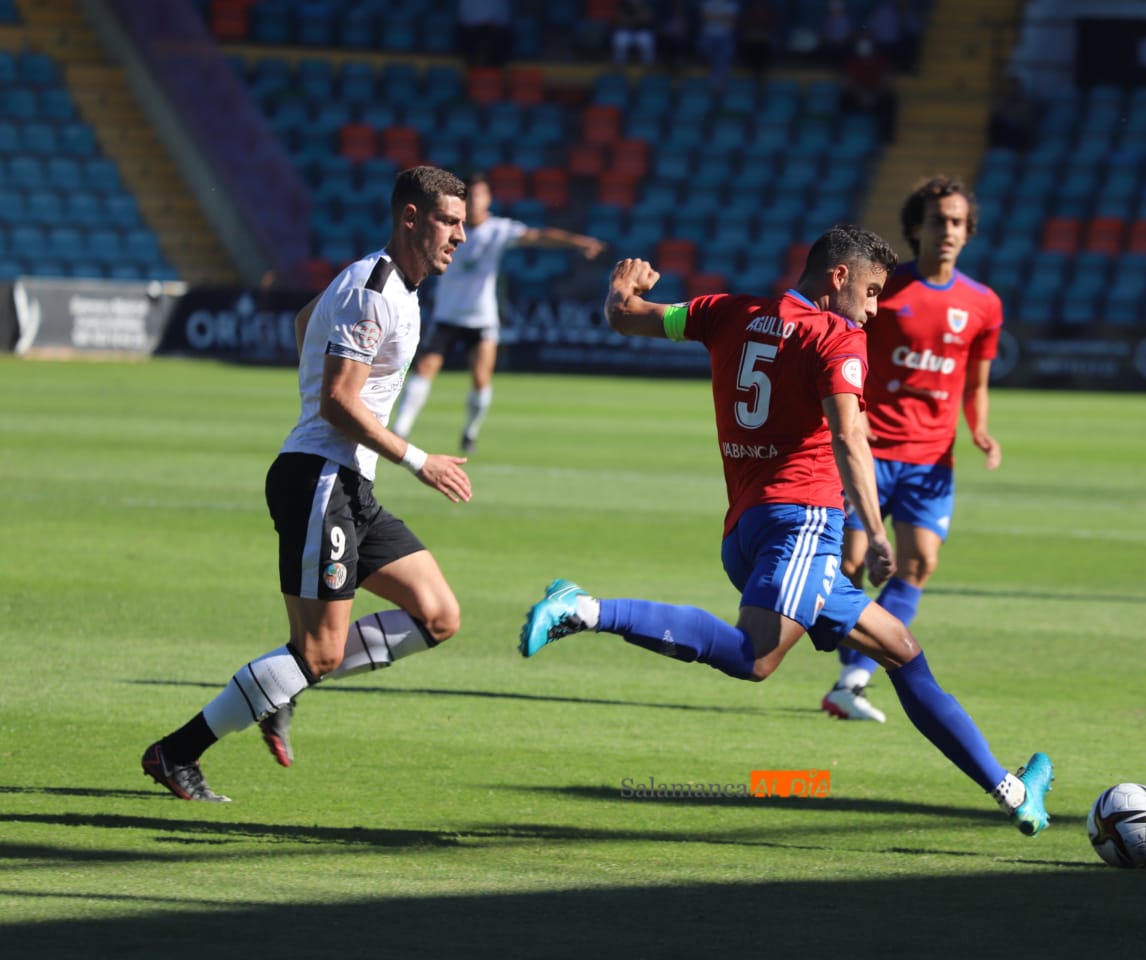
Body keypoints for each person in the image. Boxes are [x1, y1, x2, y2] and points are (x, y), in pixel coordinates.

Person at [518, 226, 1054, 837]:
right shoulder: (837, 337)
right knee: (754, 658)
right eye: (873, 292)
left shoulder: (725, 312)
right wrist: (876, 533)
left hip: (747, 530)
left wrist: (622, 286)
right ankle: (585, 609)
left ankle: (1013, 791)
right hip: (804, 527)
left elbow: (628, 317)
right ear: (839, 278)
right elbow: (851, 436)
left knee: (900, 649)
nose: (876, 309)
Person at [142, 167, 474, 801]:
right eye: (449, 221)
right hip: (322, 481)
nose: (460, 234)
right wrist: (418, 459)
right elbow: (337, 401)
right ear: (409, 217)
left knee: (437, 615)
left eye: (461, 223)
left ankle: (282, 683)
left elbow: (304, 322)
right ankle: (176, 752)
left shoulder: (395, 287)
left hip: (349, 485)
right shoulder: (373, 287)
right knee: (317, 654)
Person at [820, 176, 1003, 724]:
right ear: (916, 227)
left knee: (917, 563)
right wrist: (856, 411)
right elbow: (842, 346)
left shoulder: (983, 304)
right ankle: (849, 667)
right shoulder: (884, 289)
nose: (946, 230)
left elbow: (975, 381)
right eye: (937, 220)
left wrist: (981, 429)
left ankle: (853, 678)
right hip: (871, 449)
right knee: (850, 563)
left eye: (956, 221)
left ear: (968, 231)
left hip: (932, 459)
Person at [389, 171, 606, 453]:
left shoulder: (499, 229)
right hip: (446, 314)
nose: (476, 201)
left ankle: (470, 432)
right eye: (471, 196)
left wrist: (577, 242)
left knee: (481, 378)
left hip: (481, 318)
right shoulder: (444, 226)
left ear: (489, 198)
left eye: (481, 194)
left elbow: (539, 236)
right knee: (425, 368)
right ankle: (401, 429)